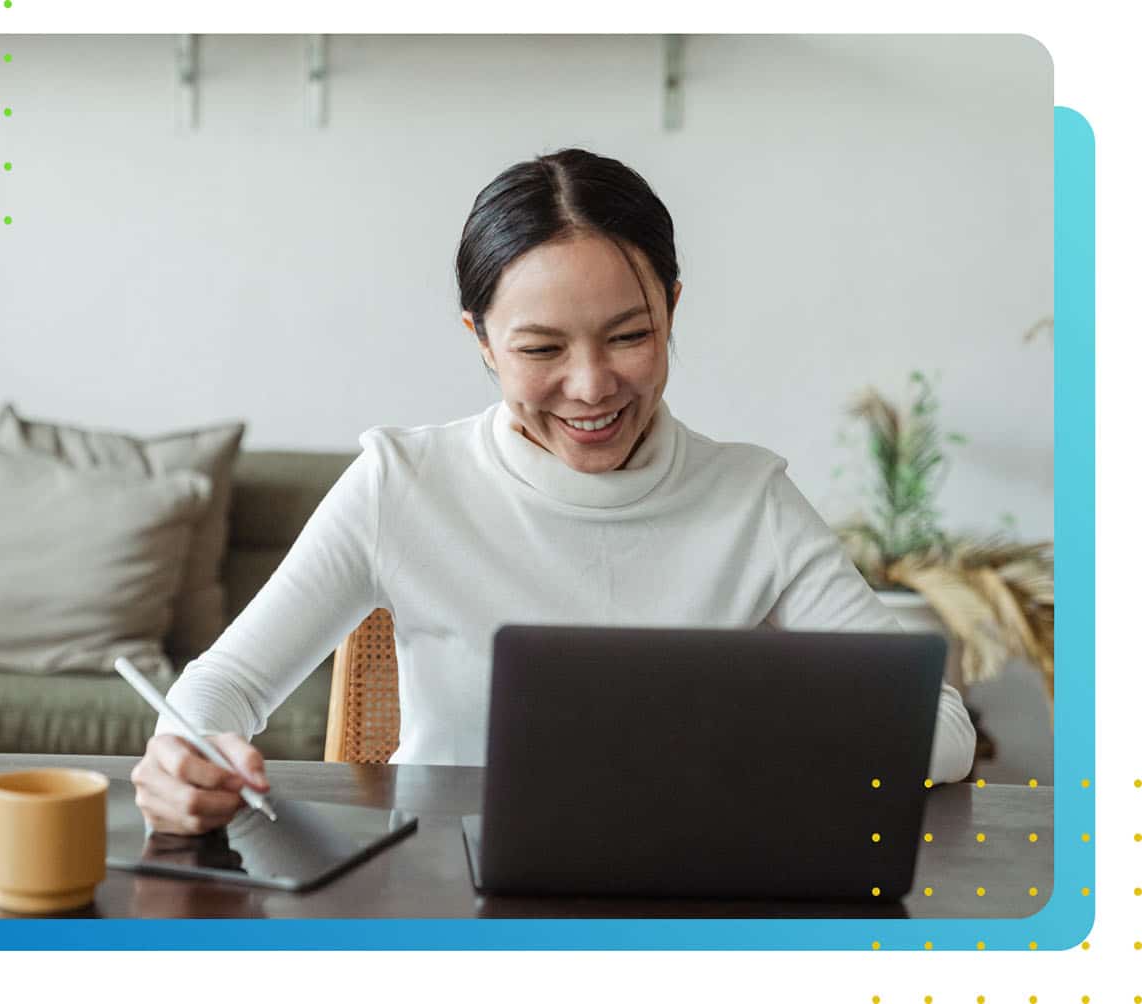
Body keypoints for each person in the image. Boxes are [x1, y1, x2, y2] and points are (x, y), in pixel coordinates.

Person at [130, 148, 977, 835]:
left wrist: (757, 730)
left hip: (684, 889)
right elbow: (224, 685)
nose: (591, 387)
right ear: (483, 342)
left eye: (631, 335)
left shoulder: (749, 499)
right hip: (440, 889)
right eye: (540, 350)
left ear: (672, 311)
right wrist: (184, 753)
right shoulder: (403, 484)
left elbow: (942, 729)